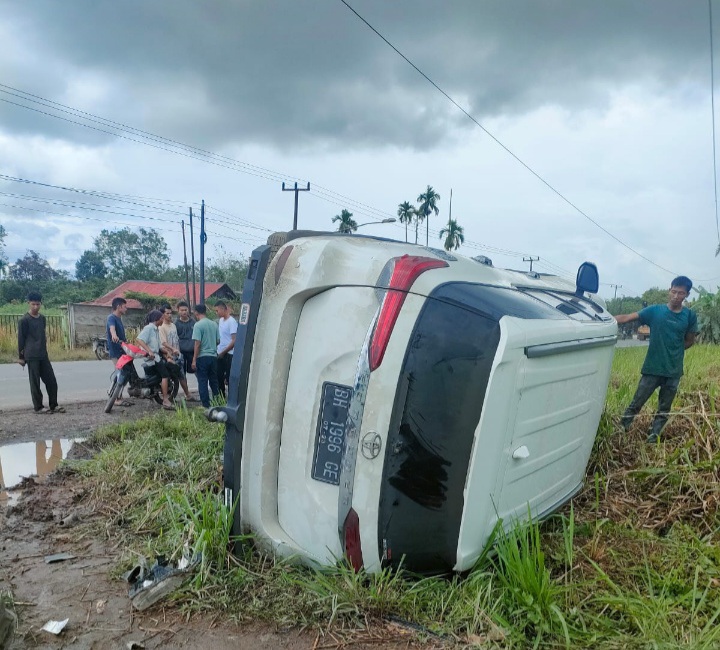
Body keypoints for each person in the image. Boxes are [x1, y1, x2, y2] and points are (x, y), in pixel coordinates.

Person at [615, 276, 698, 443]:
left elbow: (690, 340)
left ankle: (653, 440)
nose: (676, 296)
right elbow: (627, 318)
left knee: (663, 410)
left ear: (686, 295)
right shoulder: (655, 311)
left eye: (680, 293)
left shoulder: (689, 316)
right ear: (669, 291)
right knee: (636, 403)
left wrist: (674, 351)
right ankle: (619, 433)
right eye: (674, 291)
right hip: (652, 369)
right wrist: (604, 320)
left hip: (673, 372)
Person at [17, 291, 65, 414]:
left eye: (38, 304)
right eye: (33, 304)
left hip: (43, 354)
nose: (35, 307)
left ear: (41, 304)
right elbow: (21, 339)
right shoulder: (24, 320)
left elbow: (43, 336)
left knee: (51, 381)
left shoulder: (42, 318)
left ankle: (54, 405)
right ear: (29, 303)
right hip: (31, 355)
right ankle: (38, 407)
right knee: (35, 383)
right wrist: (21, 357)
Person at [136, 309, 177, 410]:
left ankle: (154, 394)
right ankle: (166, 400)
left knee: (160, 374)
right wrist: (149, 351)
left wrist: (167, 353)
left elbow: (159, 346)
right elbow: (139, 339)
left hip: (156, 357)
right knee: (165, 375)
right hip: (152, 358)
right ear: (157, 319)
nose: (163, 319)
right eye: (161, 318)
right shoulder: (149, 328)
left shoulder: (156, 329)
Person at [158, 303, 196, 402]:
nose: (169, 315)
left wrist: (177, 351)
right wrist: (170, 353)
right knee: (169, 376)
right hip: (169, 355)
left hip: (178, 355)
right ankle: (166, 398)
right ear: (162, 315)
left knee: (181, 375)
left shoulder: (173, 325)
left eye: (170, 313)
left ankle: (187, 394)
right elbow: (163, 343)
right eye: (167, 313)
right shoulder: (161, 327)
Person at [192, 304, 220, 408]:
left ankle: (206, 405)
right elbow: (218, 341)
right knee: (214, 381)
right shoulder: (214, 324)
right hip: (213, 356)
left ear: (196, 312)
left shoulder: (198, 325)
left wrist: (194, 359)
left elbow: (197, 343)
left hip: (202, 357)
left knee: (203, 381)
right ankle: (218, 401)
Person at [106, 297, 133, 406]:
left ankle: (118, 396)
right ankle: (115, 397)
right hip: (115, 351)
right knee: (120, 373)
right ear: (118, 307)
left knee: (125, 373)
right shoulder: (111, 318)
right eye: (124, 306)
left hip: (122, 350)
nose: (126, 309)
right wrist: (114, 335)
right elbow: (112, 329)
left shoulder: (119, 319)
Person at [214, 301, 238, 398]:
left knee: (229, 378)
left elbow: (234, 340)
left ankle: (232, 398)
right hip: (220, 352)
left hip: (229, 353)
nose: (217, 313)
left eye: (217, 310)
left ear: (223, 309)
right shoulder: (221, 320)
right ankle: (221, 397)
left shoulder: (231, 322)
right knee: (219, 376)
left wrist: (224, 352)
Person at [175, 300, 196, 375]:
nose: (184, 312)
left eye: (185, 310)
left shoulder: (193, 322)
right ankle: (185, 387)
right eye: (182, 310)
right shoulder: (175, 324)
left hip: (192, 351)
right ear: (178, 311)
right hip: (181, 352)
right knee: (182, 373)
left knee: (196, 371)